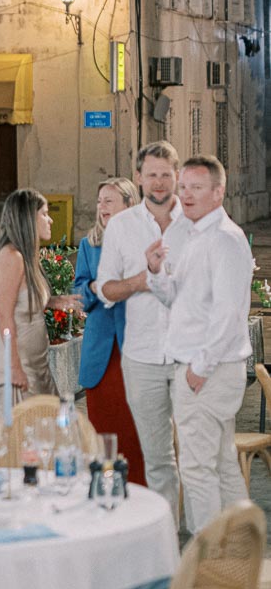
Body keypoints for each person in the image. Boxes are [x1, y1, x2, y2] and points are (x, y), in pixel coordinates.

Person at [145, 156, 251, 533]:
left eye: (197, 188)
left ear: (218, 192)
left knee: (196, 468)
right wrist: (156, 271)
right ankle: (238, 548)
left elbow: (228, 316)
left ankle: (208, 564)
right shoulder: (194, 235)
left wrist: (197, 371)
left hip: (207, 371)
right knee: (221, 464)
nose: (186, 195)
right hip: (204, 368)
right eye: (184, 186)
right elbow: (179, 298)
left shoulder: (223, 239)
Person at [96, 141, 191, 524]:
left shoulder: (196, 222)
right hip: (143, 356)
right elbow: (105, 290)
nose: (158, 181)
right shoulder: (121, 226)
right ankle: (167, 546)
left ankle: (204, 543)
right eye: (151, 174)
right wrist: (142, 279)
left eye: (166, 174)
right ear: (138, 177)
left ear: (177, 176)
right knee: (158, 459)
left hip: (189, 357)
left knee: (199, 458)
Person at [0, 190, 80, 419]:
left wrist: (55, 302)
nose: (51, 219)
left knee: (52, 431)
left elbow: (24, 302)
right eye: (44, 214)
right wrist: (14, 368)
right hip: (17, 367)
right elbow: (5, 316)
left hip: (37, 364)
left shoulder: (27, 256)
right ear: (29, 219)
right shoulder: (11, 257)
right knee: (28, 441)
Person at [74, 178, 146, 484]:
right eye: (100, 201)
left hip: (137, 345)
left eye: (110, 201)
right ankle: (106, 491)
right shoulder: (88, 245)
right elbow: (79, 290)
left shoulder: (145, 242)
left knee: (135, 431)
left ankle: (141, 495)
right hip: (100, 351)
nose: (102, 207)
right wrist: (93, 287)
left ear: (129, 205)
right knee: (104, 429)